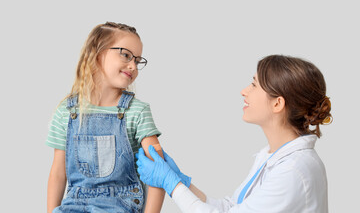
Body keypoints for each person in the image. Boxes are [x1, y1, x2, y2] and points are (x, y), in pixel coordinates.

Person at [136, 54, 332, 212]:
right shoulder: (271, 156)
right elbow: (231, 208)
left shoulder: (294, 171)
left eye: (254, 85)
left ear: (277, 103)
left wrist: (170, 183)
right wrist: (181, 181)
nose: (244, 91)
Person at [46, 22, 166, 213]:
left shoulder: (137, 112)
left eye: (137, 60)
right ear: (97, 53)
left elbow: (159, 172)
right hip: (74, 206)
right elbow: (58, 173)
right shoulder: (66, 112)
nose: (133, 65)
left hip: (120, 206)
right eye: (126, 55)